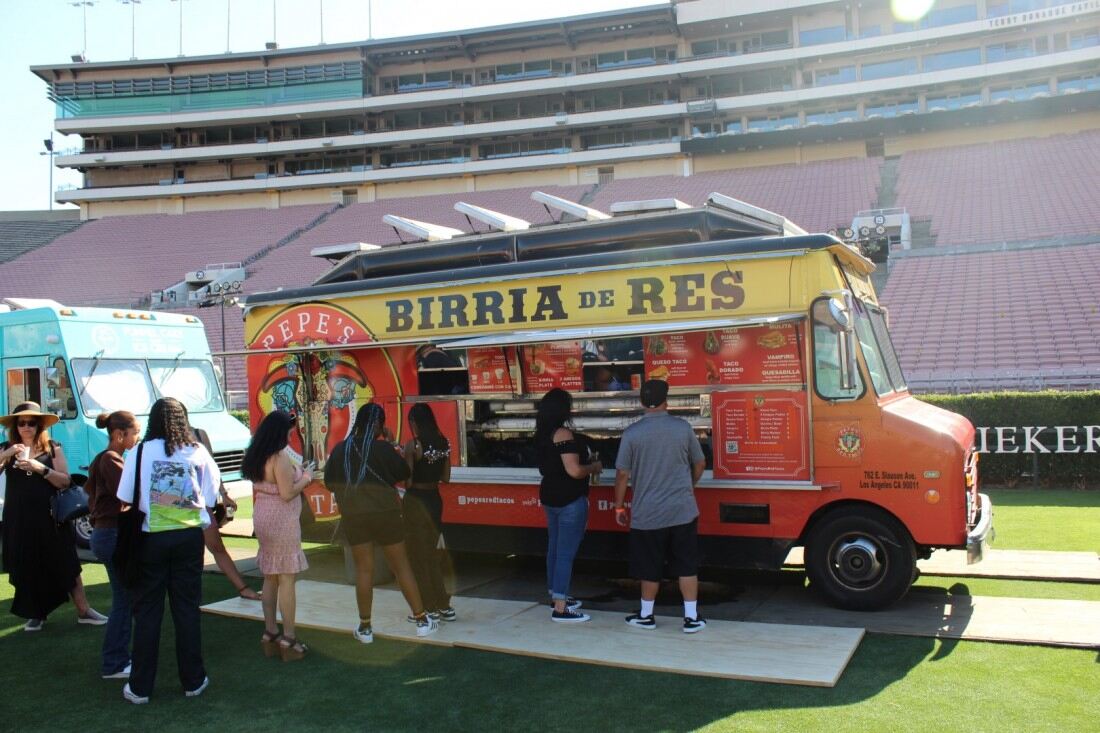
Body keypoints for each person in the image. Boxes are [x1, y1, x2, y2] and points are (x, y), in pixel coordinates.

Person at [115, 397, 219, 704]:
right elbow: (211, 496)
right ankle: (194, 680)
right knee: (187, 609)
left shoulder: (138, 452)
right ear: (182, 419)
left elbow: (125, 496)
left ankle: (140, 688)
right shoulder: (197, 451)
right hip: (189, 539)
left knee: (147, 612)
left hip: (151, 540)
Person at [325, 402, 438, 642]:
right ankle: (421, 620)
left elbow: (329, 483)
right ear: (378, 425)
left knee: (364, 570)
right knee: (401, 566)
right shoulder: (383, 448)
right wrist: (390, 442)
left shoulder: (340, 449)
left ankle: (365, 628)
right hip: (386, 514)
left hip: (354, 516)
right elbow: (404, 473)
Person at [0, 401, 106, 632]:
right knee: (27, 565)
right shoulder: (6, 449)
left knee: (67, 563)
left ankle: (84, 610)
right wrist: (8, 453)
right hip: (18, 518)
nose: (26, 427)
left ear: (39, 425)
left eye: (31, 423)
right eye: (21, 423)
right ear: (15, 426)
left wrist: (40, 468)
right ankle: (36, 614)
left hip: (50, 517)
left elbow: (65, 481)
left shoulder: (52, 447)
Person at [613, 380, 707, 633]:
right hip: (682, 510)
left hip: (647, 513)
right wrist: (688, 486)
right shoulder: (682, 428)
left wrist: (619, 507)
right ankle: (691, 618)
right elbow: (700, 463)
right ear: (667, 401)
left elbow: (622, 474)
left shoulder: (632, 433)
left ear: (642, 402)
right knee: (686, 565)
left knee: (649, 567)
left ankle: (646, 615)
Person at [241, 410, 313, 661]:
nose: (291, 436)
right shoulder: (279, 457)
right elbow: (287, 493)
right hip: (282, 520)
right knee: (287, 579)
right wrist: (306, 477)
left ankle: (270, 633)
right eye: (289, 432)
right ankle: (289, 639)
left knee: (270, 576)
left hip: (262, 515)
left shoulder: (257, 454)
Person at [536, 388, 602, 623]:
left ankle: (556, 595)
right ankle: (561, 608)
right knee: (565, 553)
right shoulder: (563, 433)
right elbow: (574, 470)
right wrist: (593, 468)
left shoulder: (541, 434)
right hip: (569, 498)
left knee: (554, 548)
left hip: (550, 496)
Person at [86, 410, 141, 679]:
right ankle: (115, 662)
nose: (137, 438)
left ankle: (117, 659)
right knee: (124, 599)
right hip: (111, 535)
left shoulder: (103, 458)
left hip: (105, 534)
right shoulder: (111, 459)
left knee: (124, 597)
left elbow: (90, 492)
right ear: (120, 435)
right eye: (135, 433)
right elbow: (130, 493)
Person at [189, 416, 262, 601]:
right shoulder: (163, 441)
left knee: (216, 546)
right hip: (182, 508)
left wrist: (223, 493)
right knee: (192, 551)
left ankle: (243, 588)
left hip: (201, 505)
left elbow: (213, 468)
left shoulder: (199, 434)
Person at [402, 403, 455, 623]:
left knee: (417, 555)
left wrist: (403, 457)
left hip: (415, 500)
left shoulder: (414, 445)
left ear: (414, 422)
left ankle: (427, 607)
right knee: (433, 553)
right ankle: (444, 605)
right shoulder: (444, 443)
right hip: (435, 500)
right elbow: (446, 477)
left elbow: (407, 481)